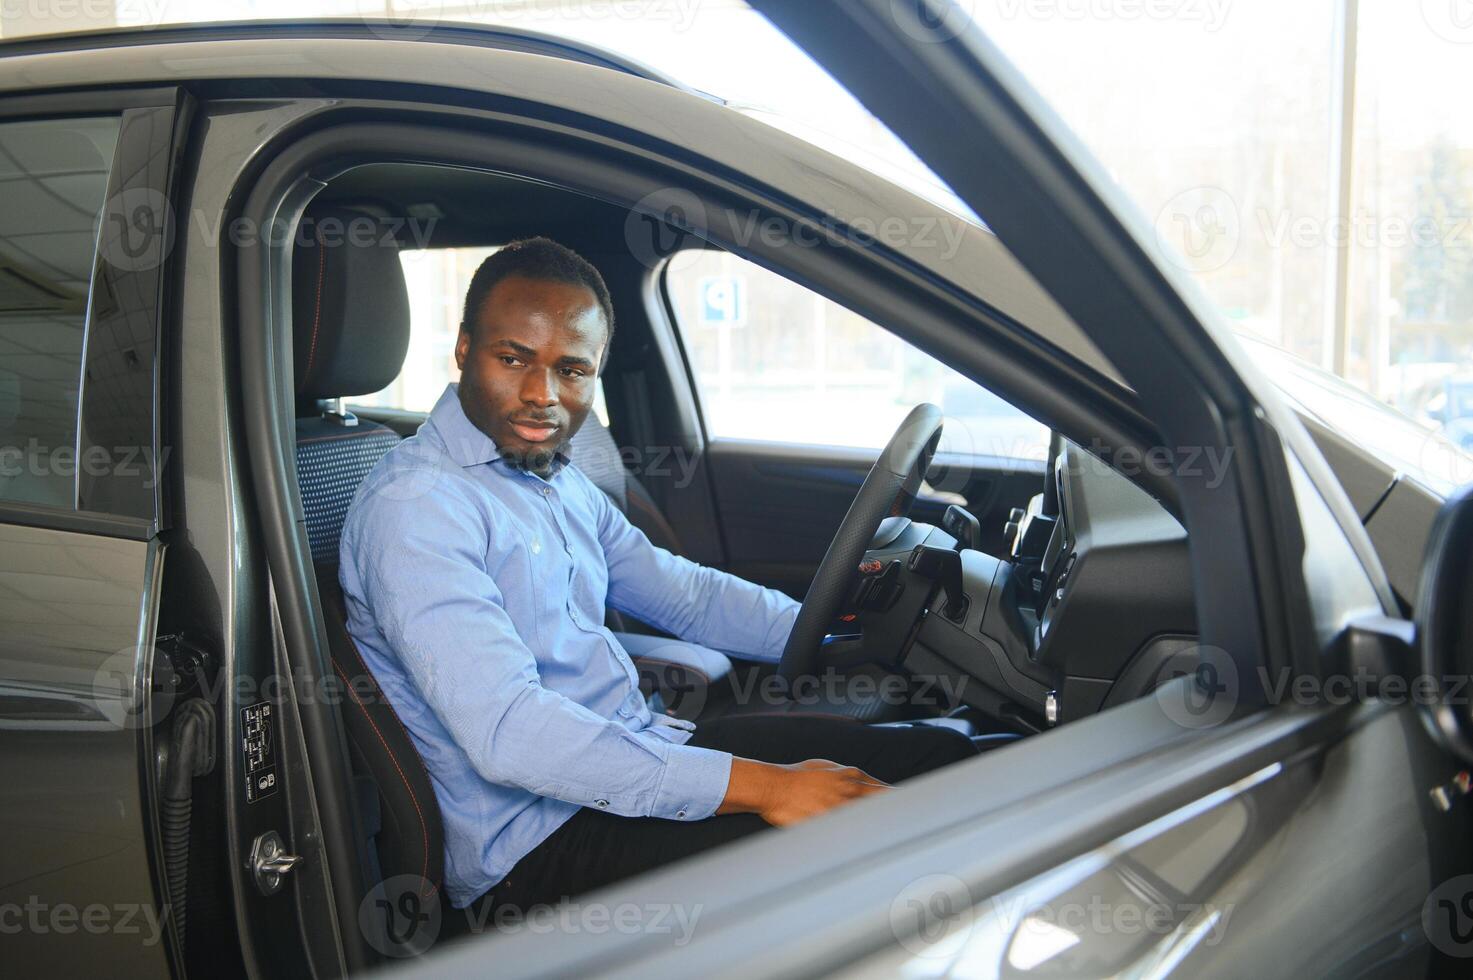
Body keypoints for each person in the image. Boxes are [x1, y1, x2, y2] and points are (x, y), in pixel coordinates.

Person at [339, 237, 978, 915]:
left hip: (637, 747)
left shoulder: (549, 477)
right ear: (465, 351)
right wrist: (770, 788)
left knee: (934, 759)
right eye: (513, 359)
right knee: (886, 841)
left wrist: (831, 631)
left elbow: (684, 593)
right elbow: (512, 735)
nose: (541, 395)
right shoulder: (418, 509)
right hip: (536, 848)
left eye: (572, 370)